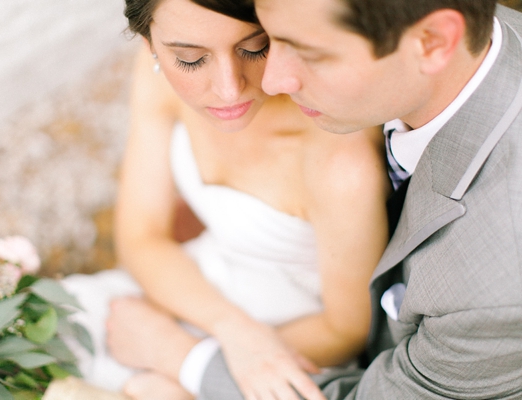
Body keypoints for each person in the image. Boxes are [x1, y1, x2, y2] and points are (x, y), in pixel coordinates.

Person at [153, 0, 522, 398]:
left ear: (433, 41)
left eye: (311, 55)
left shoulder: (498, 290)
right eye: (269, 41)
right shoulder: (451, 37)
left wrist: (184, 358)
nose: (272, 81)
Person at [63, 0, 389, 399]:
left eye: (254, 48)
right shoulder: (155, 79)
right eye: (189, 59)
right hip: (191, 291)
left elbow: (346, 330)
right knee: (57, 325)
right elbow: (141, 236)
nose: (229, 87)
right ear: (150, 44)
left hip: (296, 341)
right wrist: (232, 328)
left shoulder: (339, 161)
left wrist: (185, 355)